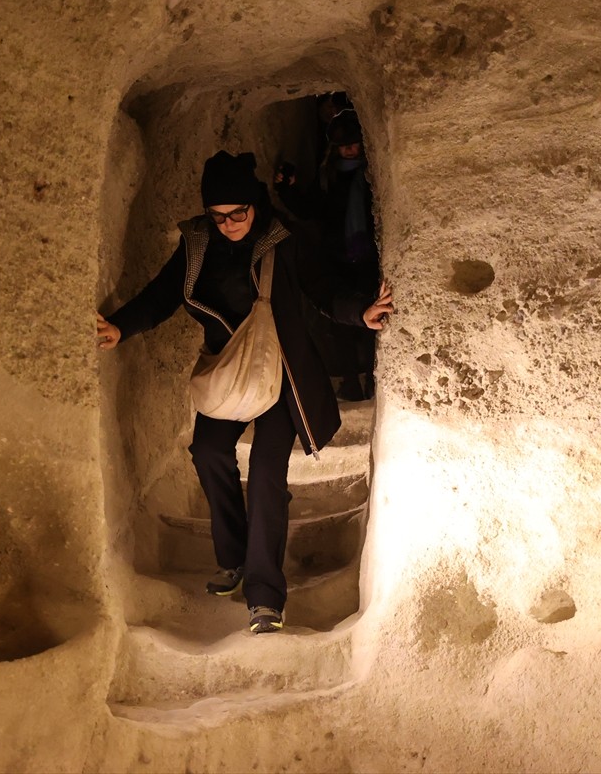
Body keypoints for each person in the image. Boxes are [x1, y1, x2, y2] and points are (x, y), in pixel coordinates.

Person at [96, 151, 394, 634]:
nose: (230, 224)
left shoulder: (282, 241)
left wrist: (361, 312)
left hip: (280, 375)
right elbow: (160, 295)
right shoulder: (197, 244)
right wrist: (120, 327)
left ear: (255, 204)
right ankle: (234, 558)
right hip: (228, 372)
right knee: (208, 452)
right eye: (219, 216)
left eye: (238, 213)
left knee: (266, 474)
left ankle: (265, 596)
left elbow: (322, 289)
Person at [274, 109, 380, 400]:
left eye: (353, 144)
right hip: (337, 259)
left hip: (368, 261)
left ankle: (373, 379)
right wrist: (287, 190)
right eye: (344, 146)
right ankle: (350, 381)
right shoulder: (328, 178)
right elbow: (310, 209)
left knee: (372, 321)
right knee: (341, 322)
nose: (349, 150)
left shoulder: (371, 175)